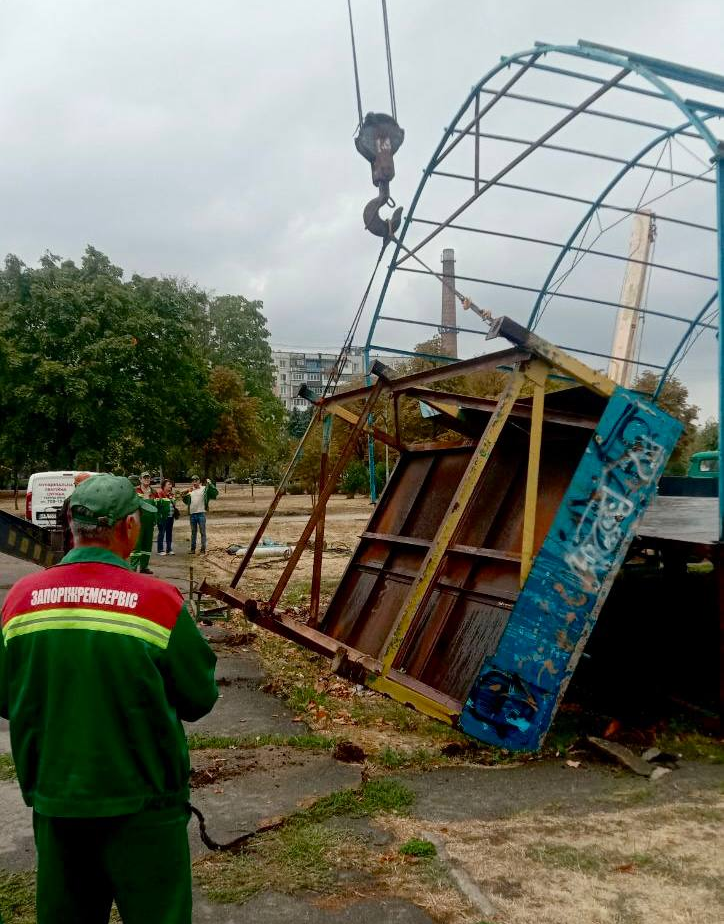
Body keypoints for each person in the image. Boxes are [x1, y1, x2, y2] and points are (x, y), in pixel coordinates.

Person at [0, 473, 218, 923]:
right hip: (145, 812)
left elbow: (6, 696)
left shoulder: (21, 600)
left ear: (71, 525)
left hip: (57, 805)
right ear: (129, 529)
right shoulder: (158, 601)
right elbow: (199, 698)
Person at [182, 475, 218, 555]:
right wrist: (185, 493)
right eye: (193, 481)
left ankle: (203, 549)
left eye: (196, 480)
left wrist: (210, 484)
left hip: (201, 513)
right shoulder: (190, 490)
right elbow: (184, 499)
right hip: (192, 514)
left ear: (199, 481)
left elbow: (214, 492)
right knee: (193, 532)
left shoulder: (204, 488)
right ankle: (192, 549)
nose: (195, 482)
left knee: (202, 532)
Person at [129, 471, 157, 573]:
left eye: (148, 478)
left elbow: (156, 507)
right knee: (137, 544)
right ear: (140, 479)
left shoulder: (154, 492)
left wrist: (156, 519)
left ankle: (144, 567)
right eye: (144, 478)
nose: (146, 479)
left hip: (150, 523)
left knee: (147, 544)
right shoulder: (134, 491)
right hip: (138, 522)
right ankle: (133, 567)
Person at [155, 479, 178, 556]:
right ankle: (160, 549)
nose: (170, 486)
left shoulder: (171, 494)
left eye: (171, 484)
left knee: (169, 533)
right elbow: (158, 505)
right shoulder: (160, 493)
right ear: (164, 485)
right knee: (162, 533)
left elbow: (173, 504)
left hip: (170, 517)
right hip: (162, 517)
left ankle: (169, 549)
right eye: (169, 484)